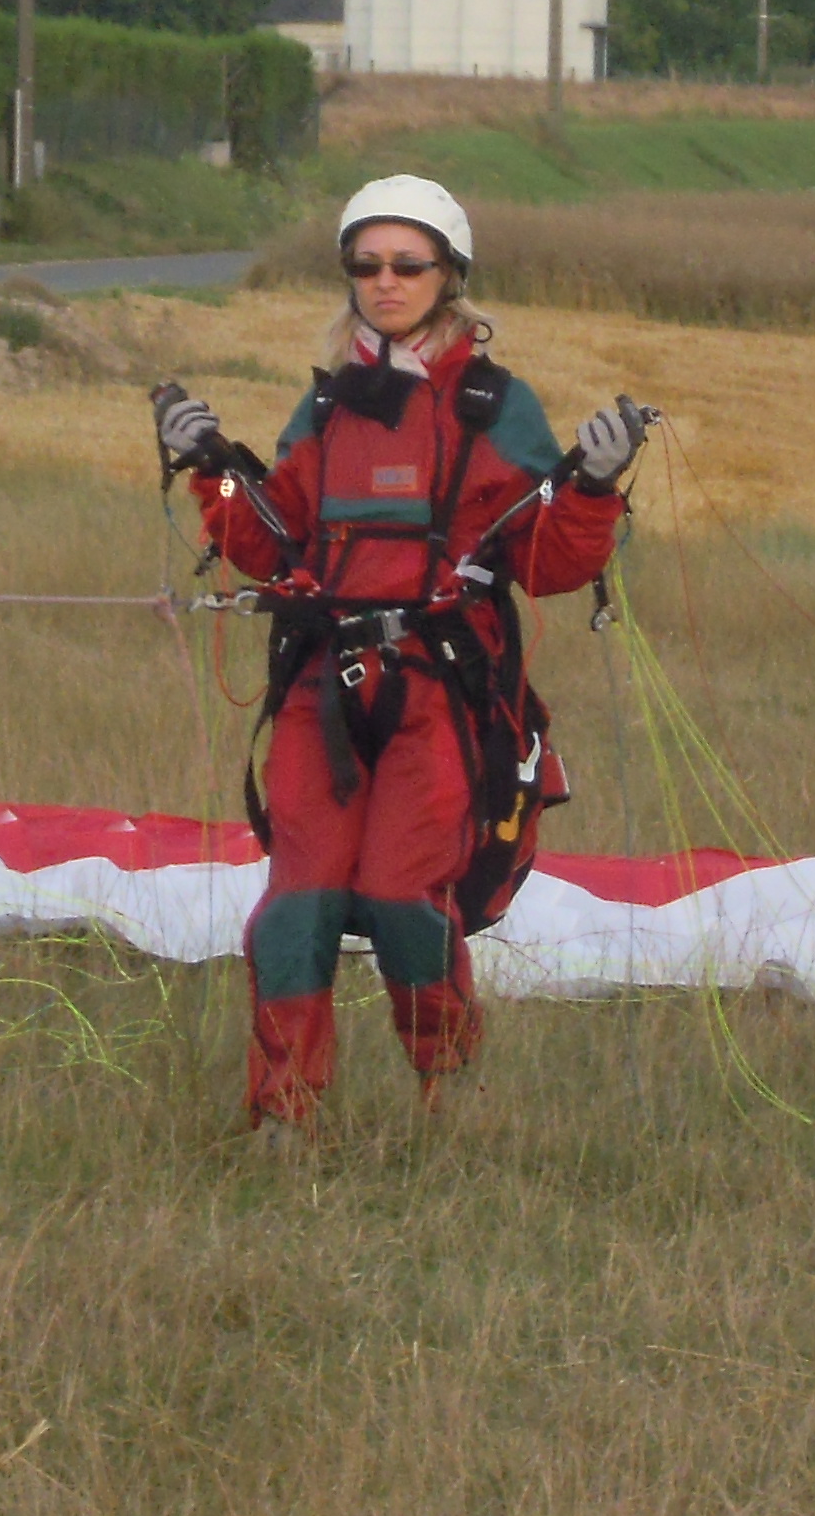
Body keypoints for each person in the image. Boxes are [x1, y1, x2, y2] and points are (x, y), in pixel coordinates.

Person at [154, 173, 648, 1129]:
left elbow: (545, 561)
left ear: (448, 276)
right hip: (323, 690)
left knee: (399, 896)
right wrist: (212, 467)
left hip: (440, 694)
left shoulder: (496, 406)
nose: (385, 282)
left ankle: (443, 1081)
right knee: (296, 903)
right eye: (367, 265)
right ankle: (285, 1121)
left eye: (407, 266)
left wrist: (590, 485)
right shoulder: (328, 407)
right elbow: (272, 541)